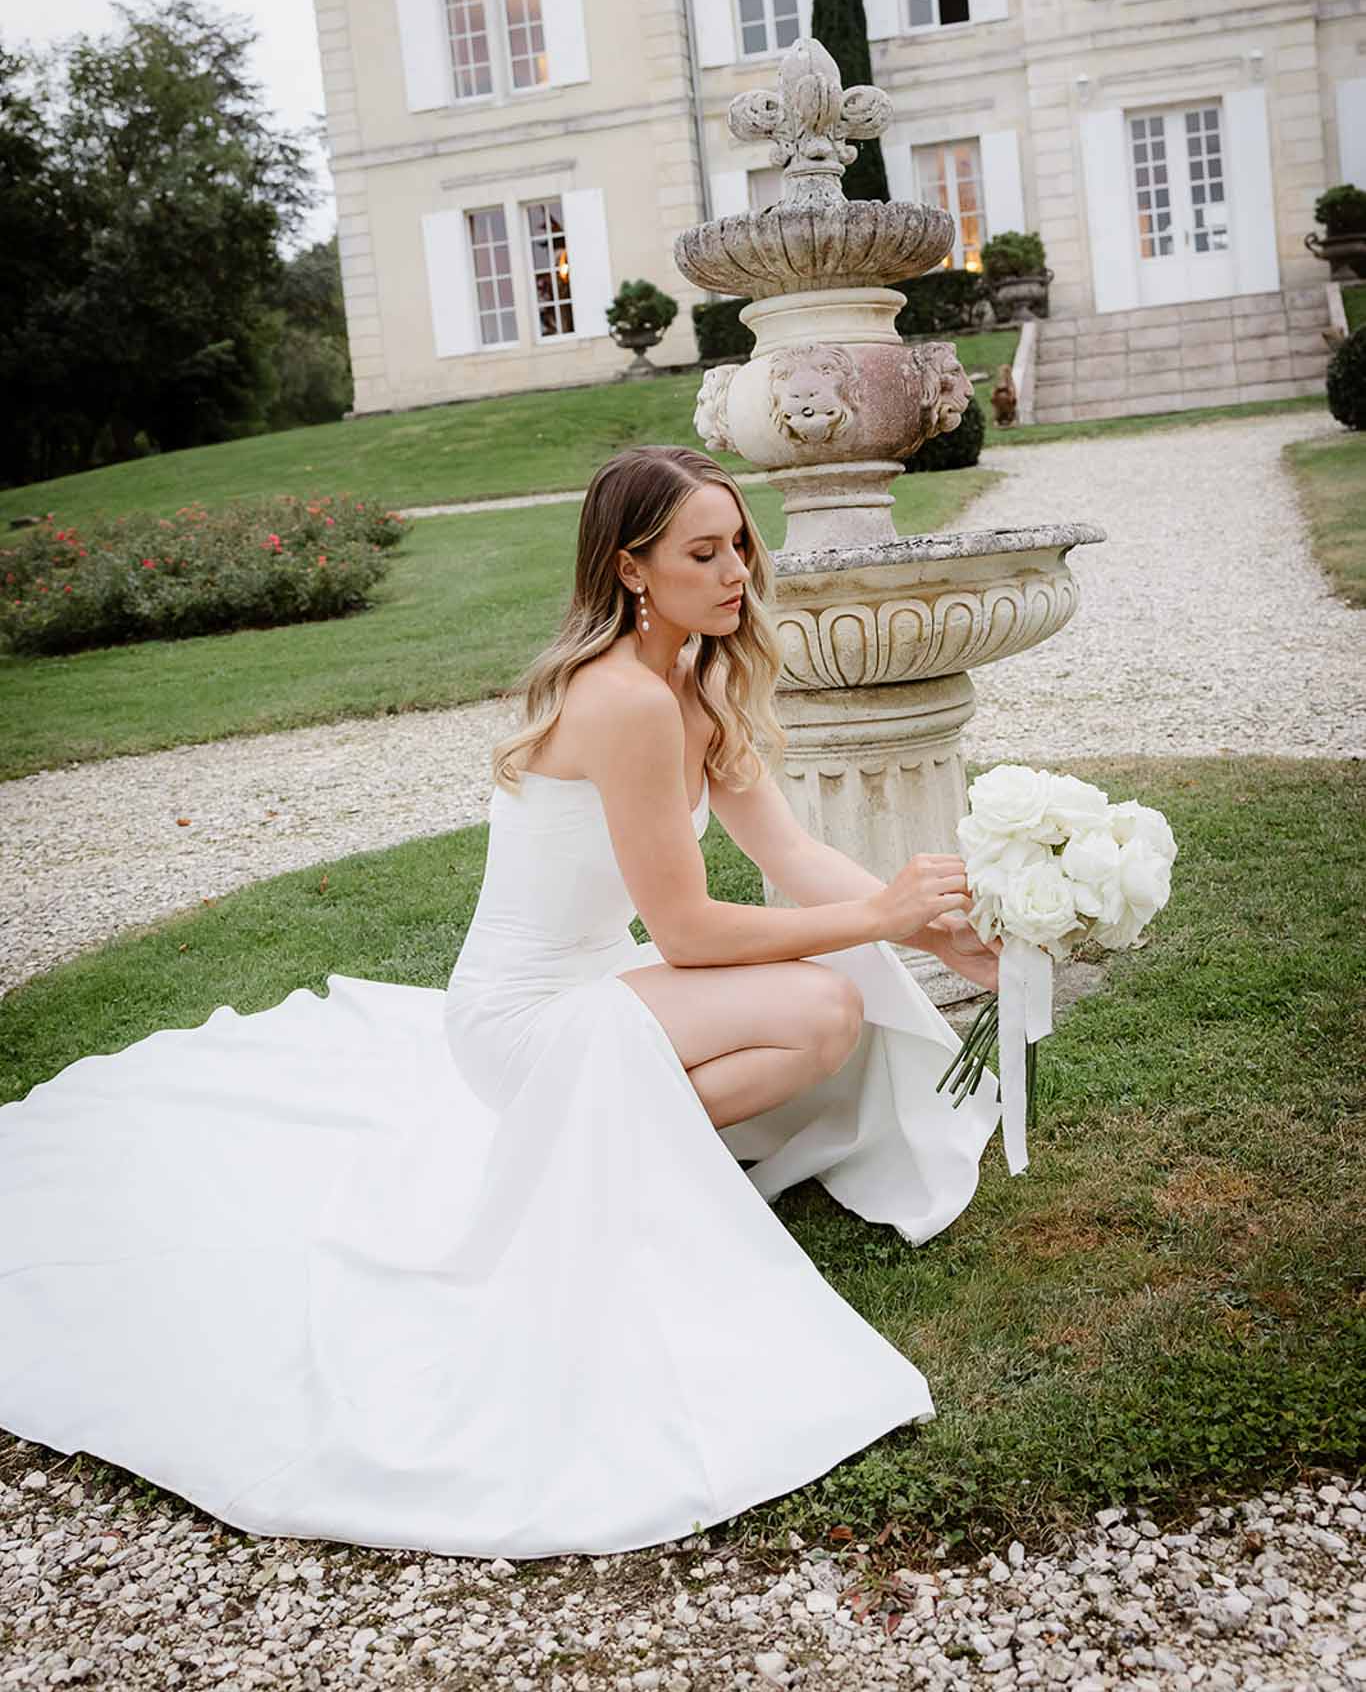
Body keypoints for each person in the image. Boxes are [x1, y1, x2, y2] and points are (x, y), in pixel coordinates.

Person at [0, 443, 1003, 1563]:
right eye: (703, 552)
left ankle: (634, 1157)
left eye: (740, 545)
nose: (737, 573)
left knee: (828, 1002)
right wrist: (879, 922)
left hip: (600, 981)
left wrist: (930, 930)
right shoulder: (620, 698)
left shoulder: (697, 680)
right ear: (632, 568)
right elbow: (687, 932)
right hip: (523, 1014)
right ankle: (624, 1161)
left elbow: (793, 852)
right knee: (820, 1001)